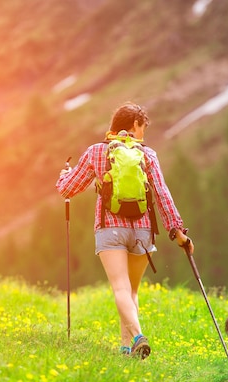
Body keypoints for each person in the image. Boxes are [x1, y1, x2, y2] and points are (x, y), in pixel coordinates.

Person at [56, 102, 193, 359]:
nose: (143, 134)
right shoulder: (148, 155)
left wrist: (64, 175)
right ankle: (125, 347)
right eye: (142, 127)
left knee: (120, 288)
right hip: (142, 232)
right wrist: (177, 231)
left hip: (110, 229)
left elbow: (68, 189)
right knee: (131, 291)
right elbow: (163, 194)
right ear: (134, 125)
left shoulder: (97, 151)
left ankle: (138, 337)